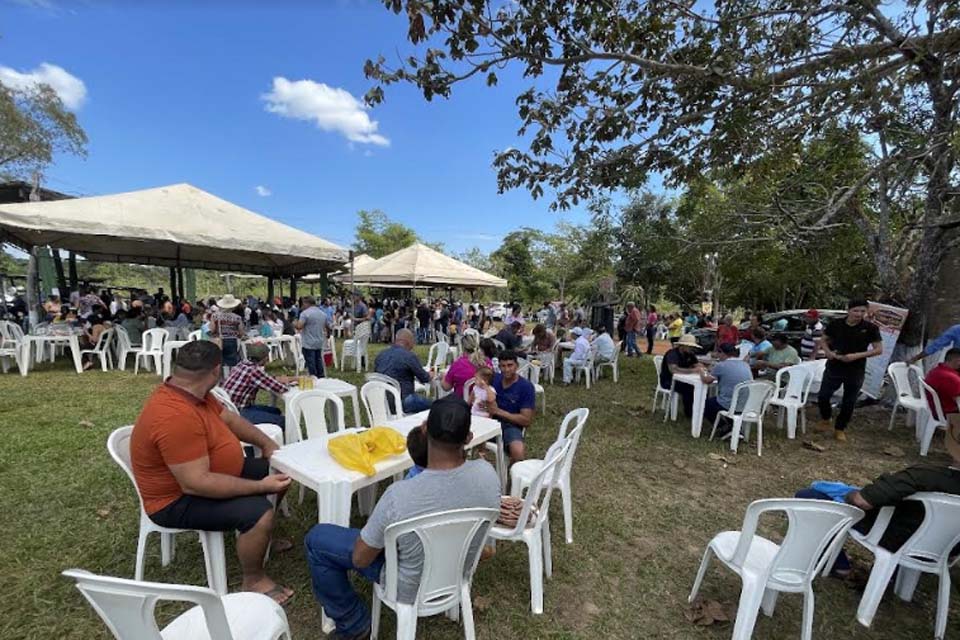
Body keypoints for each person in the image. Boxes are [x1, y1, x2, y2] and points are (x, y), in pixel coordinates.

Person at [304, 397, 500, 640]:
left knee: (317, 539)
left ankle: (353, 623)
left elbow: (361, 559)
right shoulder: (488, 474)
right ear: (469, 438)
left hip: (406, 586)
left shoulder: (399, 495)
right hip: (457, 569)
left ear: (424, 430)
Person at [130, 341, 293, 604]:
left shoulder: (195, 392)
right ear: (216, 370)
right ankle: (253, 580)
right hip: (175, 500)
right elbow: (197, 484)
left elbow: (230, 419)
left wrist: (266, 444)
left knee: (284, 472)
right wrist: (261, 486)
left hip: (208, 474)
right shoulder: (174, 415)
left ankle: (260, 539)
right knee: (259, 511)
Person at [796, 420, 960, 577]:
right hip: (941, 550)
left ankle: (839, 565)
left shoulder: (925, 476)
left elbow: (861, 501)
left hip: (893, 535)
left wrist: (847, 493)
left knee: (809, 496)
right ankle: (893, 576)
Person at [814, 298, 883, 442]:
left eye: (862, 311)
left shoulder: (870, 328)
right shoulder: (836, 324)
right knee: (823, 396)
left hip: (855, 368)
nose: (859, 314)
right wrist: (827, 352)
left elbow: (878, 350)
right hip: (834, 365)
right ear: (849, 310)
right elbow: (823, 339)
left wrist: (857, 355)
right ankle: (826, 418)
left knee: (849, 401)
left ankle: (840, 428)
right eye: (855, 311)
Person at [222, 343, 296, 430]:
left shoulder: (242, 364)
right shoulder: (254, 371)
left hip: (228, 409)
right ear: (265, 358)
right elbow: (281, 389)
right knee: (284, 421)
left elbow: (264, 379)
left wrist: (279, 379)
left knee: (275, 411)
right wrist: (287, 381)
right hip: (237, 413)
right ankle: (285, 441)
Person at [489, 350, 536, 463]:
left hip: (510, 425)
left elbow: (526, 420)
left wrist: (498, 412)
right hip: (488, 420)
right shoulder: (495, 379)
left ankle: (512, 475)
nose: (506, 369)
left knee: (518, 451)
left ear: (517, 366)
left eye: (510, 365)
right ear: (499, 367)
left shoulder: (525, 387)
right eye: (503, 366)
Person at [374, 329, 433, 414]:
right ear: (409, 342)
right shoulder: (409, 356)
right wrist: (431, 375)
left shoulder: (381, 355)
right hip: (402, 401)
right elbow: (424, 378)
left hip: (381, 401)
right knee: (436, 406)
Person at [700, 342, 753, 430]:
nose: (717, 355)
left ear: (722, 353)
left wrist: (701, 371)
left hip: (730, 403)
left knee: (707, 404)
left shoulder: (721, 365)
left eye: (718, 353)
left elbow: (707, 380)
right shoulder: (745, 365)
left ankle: (723, 426)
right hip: (746, 403)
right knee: (721, 399)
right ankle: (733, 426)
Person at [659, 334, 703, 418]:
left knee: (698, 387)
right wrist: (692, 370)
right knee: (688, 388)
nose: (692, 349)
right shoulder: (672, 354)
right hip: (668, 381)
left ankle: (698, 410)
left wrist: (701, 367)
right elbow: (673, 370)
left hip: (683, 379)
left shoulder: (690, 354)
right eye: (690, 347)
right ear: (682, 346)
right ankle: (689, 412)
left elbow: (697, 364)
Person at [440, 331, 491, 398]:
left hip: (461, 403)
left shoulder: (458, 364)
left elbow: (446, 387)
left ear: (462, 348)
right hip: (484, 403)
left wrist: (443, 377)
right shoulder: (488, 362)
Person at [296, 296, 332, 378]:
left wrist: (294, 323)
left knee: (311, 363)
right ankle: (321, 377)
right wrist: (328, 334)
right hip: (319, 341)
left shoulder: (305, 314)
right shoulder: (322, 313)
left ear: (306, 303)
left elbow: (299, 326)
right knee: (319, 361)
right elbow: (328, 327)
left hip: (308, 342)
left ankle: (313, 378)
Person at [210, 294, 245, 368]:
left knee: (218, 364)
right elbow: (241, 333)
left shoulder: (215, 316)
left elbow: (212, 330)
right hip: (232, 341)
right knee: (231, 364)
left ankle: (220, 378)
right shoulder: (237, 318)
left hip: (218, 341)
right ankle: (230, 377)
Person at [924, 348, 960, 416]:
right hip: (950, 414)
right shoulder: (950, 378)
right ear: (957, 361)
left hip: (938, 409)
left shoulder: (937, 370)